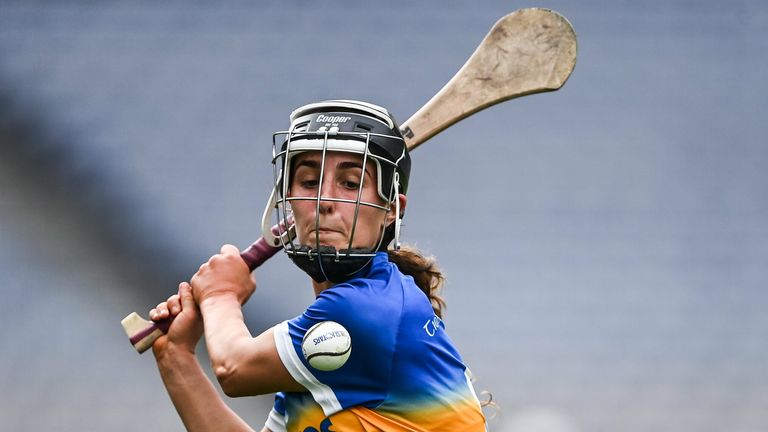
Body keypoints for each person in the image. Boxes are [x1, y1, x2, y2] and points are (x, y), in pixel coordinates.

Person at [149, 100, 487, 431]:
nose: (325, 200)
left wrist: (220, 294)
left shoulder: (368, 309)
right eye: (309, 182)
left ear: (392, 209)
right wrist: (176, 357)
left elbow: (234, 369)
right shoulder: (322, 352)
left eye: (351, 184)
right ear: (288, 199)